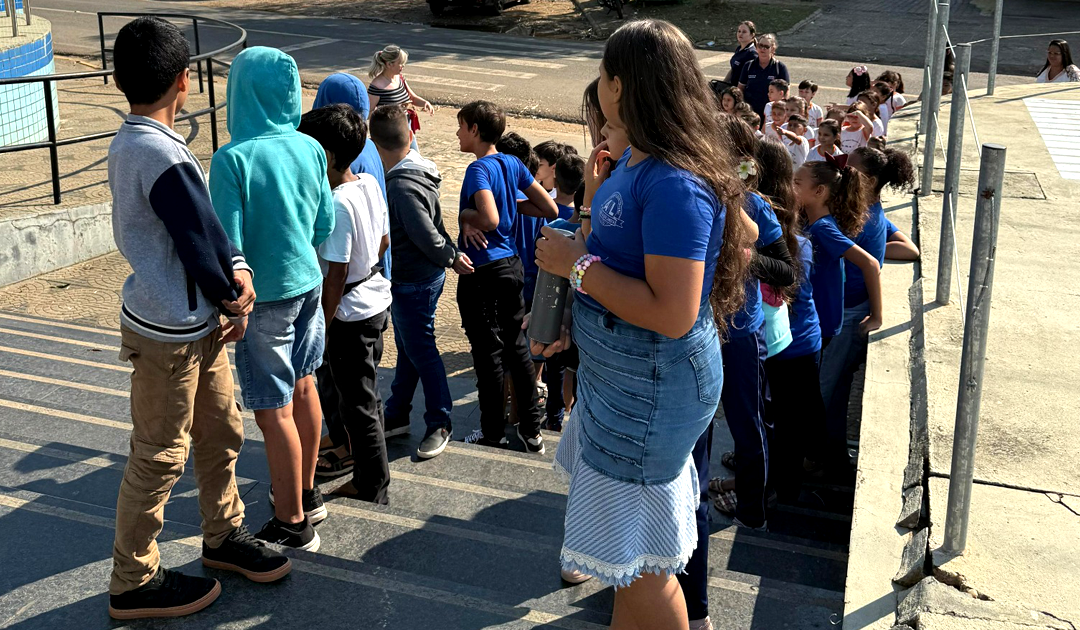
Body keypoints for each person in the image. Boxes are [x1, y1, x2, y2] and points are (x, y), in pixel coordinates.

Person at [534, 20, 754, 630]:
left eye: (604, 74)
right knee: (628, 564)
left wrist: (575, 266)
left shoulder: (675, 182)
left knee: (640, 566)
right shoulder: (635, 160)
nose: (599, 85)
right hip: (626, 378)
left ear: (622, 85)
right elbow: (620, 263)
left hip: (651, 389)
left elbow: (672, 312)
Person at [105, 17, 290, 620]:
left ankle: (223, 534)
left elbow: (205, 228)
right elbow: (197, 241)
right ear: (185, 81)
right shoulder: (159, 152)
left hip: (188, 322)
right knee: (160, 455)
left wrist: (234, 269)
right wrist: (234, 296)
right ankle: (133, 580)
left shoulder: (135, 140)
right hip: (171, 333)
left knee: (221, 430)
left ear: (119, 80)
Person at [209, 46, 334, 550]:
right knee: (305, 387)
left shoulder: (232, 158)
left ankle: (291, 522)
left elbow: (227, 245)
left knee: (273, 409)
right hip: (309, 283)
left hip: (264, 300)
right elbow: (324, 225)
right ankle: (308, 493)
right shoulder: (311, 148)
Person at [299, 104, 394, 504]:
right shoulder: (369, 183)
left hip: (349, 314)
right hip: (375, 299)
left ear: (328, 155)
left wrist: (321, 324)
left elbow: (335, 275)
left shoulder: (336, 203)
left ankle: (371, 484)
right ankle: (369, 469)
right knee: (367, 397)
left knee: (357, 404)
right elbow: (384, 241)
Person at [454, 100, 558, 452]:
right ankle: (532, 430)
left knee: (488, 355)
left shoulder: (478, 169)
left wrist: (466, 215)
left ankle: (492, 432)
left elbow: (490, 220)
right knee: (517, 348)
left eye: (461, 126)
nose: (457, 133)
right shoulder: (512, 163)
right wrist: (510, 204)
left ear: (474, 130)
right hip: (511, 266)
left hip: (482, 271)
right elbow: (549, 207)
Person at [370, 105, 472, 461]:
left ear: (375, 145)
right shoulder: (418, 170)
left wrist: (450, 256)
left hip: (414, 280)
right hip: (420, 278)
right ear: (410, 136)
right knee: (410, 347)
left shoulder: (399, 186)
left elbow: (425, 234)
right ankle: (397, 413)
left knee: (422, 350)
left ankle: (440, 421)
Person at [710, 116, 795, 533]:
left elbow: (785, 270)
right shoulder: (684, 190)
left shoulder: (755, 205)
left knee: (748, 422)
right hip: (692, 329)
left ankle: (751, 510)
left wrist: (744, 257)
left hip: (740, 332)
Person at [819, 147, 915, 466]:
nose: (842, 171)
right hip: (848, 312)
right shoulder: (871, 211)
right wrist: (871, 250)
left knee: (820, 392)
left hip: (847, 317)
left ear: (870, 181)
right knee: (837, 391)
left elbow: (871, 263)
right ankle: (832, 457)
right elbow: (911, 249)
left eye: (850, 169)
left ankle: (805, 463)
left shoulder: (858, 221)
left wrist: (877, 314)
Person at [753, 139, 826, 502]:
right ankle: (778, 487)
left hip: (778, 347)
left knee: (777, 424)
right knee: (788, 424)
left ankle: (771, 492)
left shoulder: (756, 239)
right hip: (801, 344)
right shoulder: (800, 241)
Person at [793, 158, 883, 366]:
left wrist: (876, 316)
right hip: (817, 315)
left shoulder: (822, 229)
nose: (791, 187)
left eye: (797, 183)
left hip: (822, 319)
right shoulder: (811, 221)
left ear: (819, 191)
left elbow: (870, 264)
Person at [368, 45, 437, 149]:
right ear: (389, 64)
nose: (403, 66)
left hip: (405, 126)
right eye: (400, 63)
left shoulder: (400, 79)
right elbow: (369, 112)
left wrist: (425, 103)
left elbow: (412, 98)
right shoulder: (377, 85)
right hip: (389, 132)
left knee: (414, 154)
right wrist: (389, 115)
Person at [739, 33, 790, 124]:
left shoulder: (779, 67)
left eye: (766, 47)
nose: (763, 49)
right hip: (750, 113)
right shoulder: (748, 66)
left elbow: (786, 92)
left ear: (772, 49)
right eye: (760, 46)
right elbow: (740, 88)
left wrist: (781, 111)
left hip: (771, 114)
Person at [724, 20, 758, 84]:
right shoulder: (739, 49)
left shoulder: (752, 53)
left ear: (752, 35)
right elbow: (733, 69)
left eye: (744, 32)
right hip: (732, 86)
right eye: (739, 31)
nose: (740, 34)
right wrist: (723, 83)